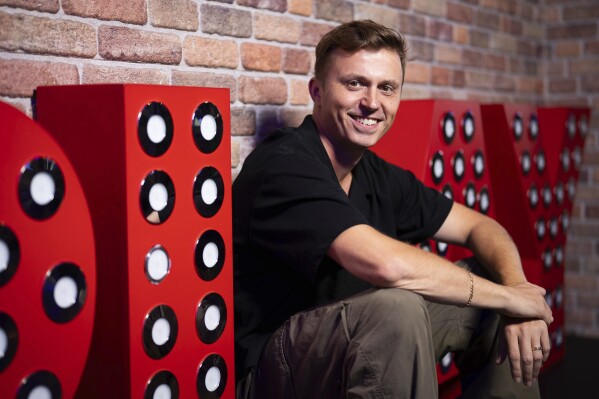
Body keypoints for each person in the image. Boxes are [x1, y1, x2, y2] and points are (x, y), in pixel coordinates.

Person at [233, 19, 552, 399]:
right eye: (354, 83)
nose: (372, 102)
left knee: (493, 276)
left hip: (359, 342)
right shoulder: (283, 165)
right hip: (273, 372)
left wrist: (515, 290)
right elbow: (385, 264)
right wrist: (512, 297)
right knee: (397, 309)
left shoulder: (375, 173)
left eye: (386, 88)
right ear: (317, 91)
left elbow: (480, 227)